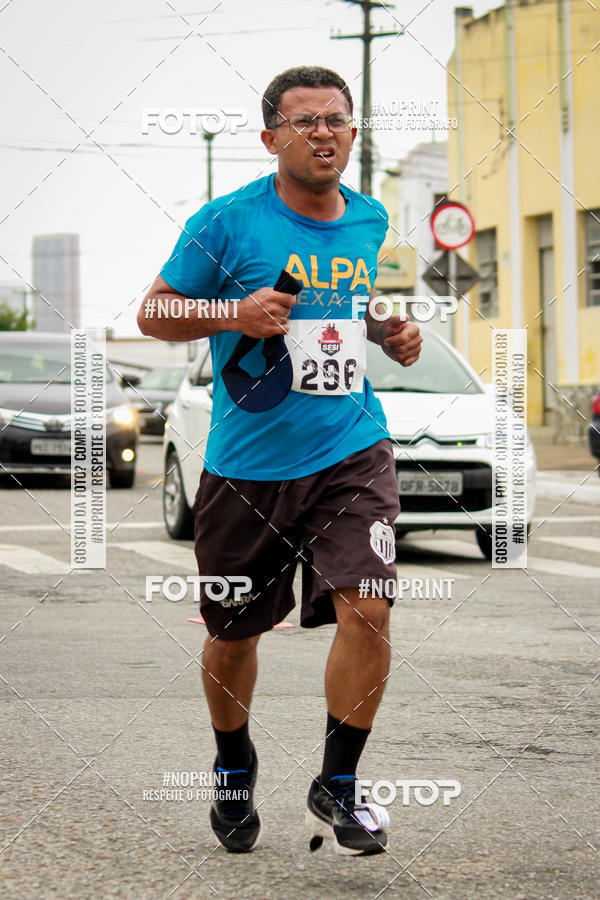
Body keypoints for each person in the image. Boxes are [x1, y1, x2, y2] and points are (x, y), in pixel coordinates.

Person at [138, 65, 422, 856]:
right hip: (248, 467)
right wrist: (234, 311)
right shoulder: (227, 222)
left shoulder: (368, 218)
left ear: (353, 134)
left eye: (335, 120)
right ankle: (233, 765)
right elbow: (153, 312)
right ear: (271, 138)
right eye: (304, 122)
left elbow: (354, 302)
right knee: (233, 637)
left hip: (351, 448)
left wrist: (390, 332)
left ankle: (338, 784)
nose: (322, 133)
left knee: (369, 607)